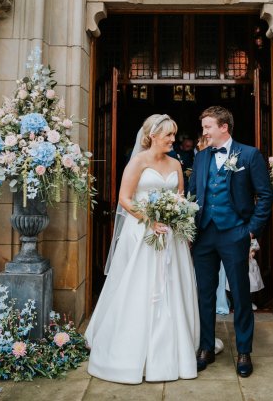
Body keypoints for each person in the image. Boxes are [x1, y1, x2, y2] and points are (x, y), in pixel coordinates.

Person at [85, 114, 199, 384]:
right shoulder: (137, 162)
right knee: (140, 287)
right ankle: (132, 351)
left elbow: (180, 197)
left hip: (171, 236)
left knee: (173, 287)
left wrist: (178, 218)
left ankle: (174, 350)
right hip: (142, 233)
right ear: (152, 136)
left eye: (174, 134)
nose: (174, 139)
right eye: (169, 135)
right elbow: (124, 198)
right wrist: (150, 220)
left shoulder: (176, 163)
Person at [189, 106, 273, 378]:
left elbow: (265, 195)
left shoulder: (249, 155)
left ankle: (244, 351)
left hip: (235, 233)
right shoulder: (201, 158)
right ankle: (206, 348)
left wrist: (250, 231)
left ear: (223, 127)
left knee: (239, 293)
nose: (204, 132)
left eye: (208, 127)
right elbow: (192, 196)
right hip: (204, 235)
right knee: (204, 293)